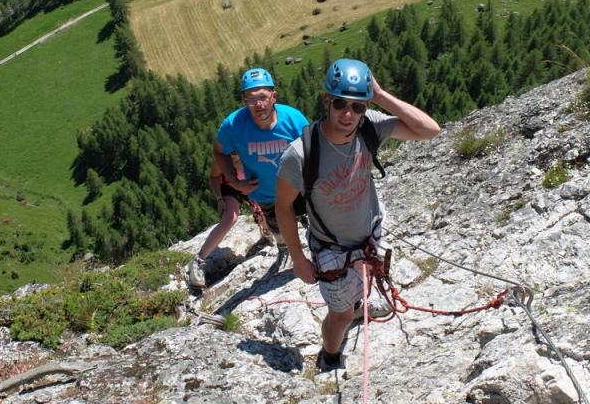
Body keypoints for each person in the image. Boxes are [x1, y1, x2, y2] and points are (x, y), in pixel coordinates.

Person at [274, 58, 440, 372]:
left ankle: (358, 300)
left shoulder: (369, 128)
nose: (348, 114)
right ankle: (330, 356)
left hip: (369, 235)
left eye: (357, 106)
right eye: (340, 104)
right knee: (341, 315)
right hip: (333, 249)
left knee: (359, 291)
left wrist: (380, 95)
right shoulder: (301, 154)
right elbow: (282, 206)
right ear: (327, 101)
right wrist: (298, 258)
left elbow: (429, 130)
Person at [187, 68, 310, 289]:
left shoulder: (294, 119)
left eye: (263, 97)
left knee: (315, 223)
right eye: (251, 100)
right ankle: (284, 250)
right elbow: (219, 153)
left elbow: (312, 149)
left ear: (274, 96)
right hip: (266, 194)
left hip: (297, 186)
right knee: (278, 229)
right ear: (244, 101)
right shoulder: (233, 125)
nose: (258, 105)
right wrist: (234, 182)